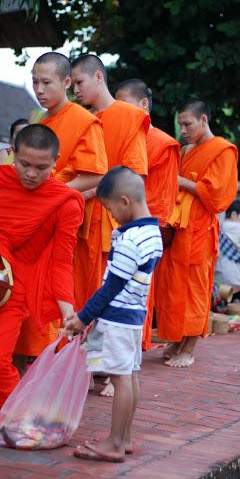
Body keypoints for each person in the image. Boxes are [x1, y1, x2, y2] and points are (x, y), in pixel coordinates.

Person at [0, 124, 84, 419]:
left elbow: (61, 262)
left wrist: (68, 312)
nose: (31, 173)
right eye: (24, 164)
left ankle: (20, 408)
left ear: (56, 163)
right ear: (13, 155)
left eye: (41, 167)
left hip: (12, 289)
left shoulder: (65, 202)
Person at [63, 166, 163, 462]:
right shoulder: (152, 233)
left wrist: (83, 316)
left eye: (108, 208)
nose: (110, 215)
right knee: (129, 375)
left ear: (124, 202)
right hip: (133, 317)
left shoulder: (131, 241)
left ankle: (115, 443)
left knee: (119, 379)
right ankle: (125, 437)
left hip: (118, 317)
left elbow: (111, 287)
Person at [14, 52, 107, 360]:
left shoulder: (83, 121)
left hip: (61, 221)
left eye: (46, 82)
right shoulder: (40, 120)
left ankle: (55, 362)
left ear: (66, 83)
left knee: (56, 294)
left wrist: (54, 195)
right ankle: (28, 364)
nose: (39, 89)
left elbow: (95, 173)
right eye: (34, 81)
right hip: (32, 222)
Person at [71, 55, 150, 394]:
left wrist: (88, 194)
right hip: (82, 219)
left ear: (98, 77)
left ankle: (109, 372)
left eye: (79, 83)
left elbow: (133, 174)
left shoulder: (130, 117)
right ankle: (89, 368)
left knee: (110, 293)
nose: (75, 91)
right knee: (83, 291)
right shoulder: (83, 120)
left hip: (111, 218)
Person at [155, 99, 238, 367]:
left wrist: (180, 181)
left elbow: (215, 197)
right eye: (180, 124)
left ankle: (189, 349)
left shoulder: (222, 150)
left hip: (199, 229)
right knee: (172, 286)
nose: (183, 130)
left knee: (195, 289)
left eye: (188, 124)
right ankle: (177, 339)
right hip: (177, 226)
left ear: (204, 120)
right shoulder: (187, 149)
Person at [115, 78, 180, 349]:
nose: (119, 112)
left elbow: (163, 195)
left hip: (141, 225)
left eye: (125, 105)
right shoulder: (119, 132)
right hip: (113, 218)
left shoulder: (162, 143)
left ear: (143, 105)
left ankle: (131, 349)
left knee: (137, 289)